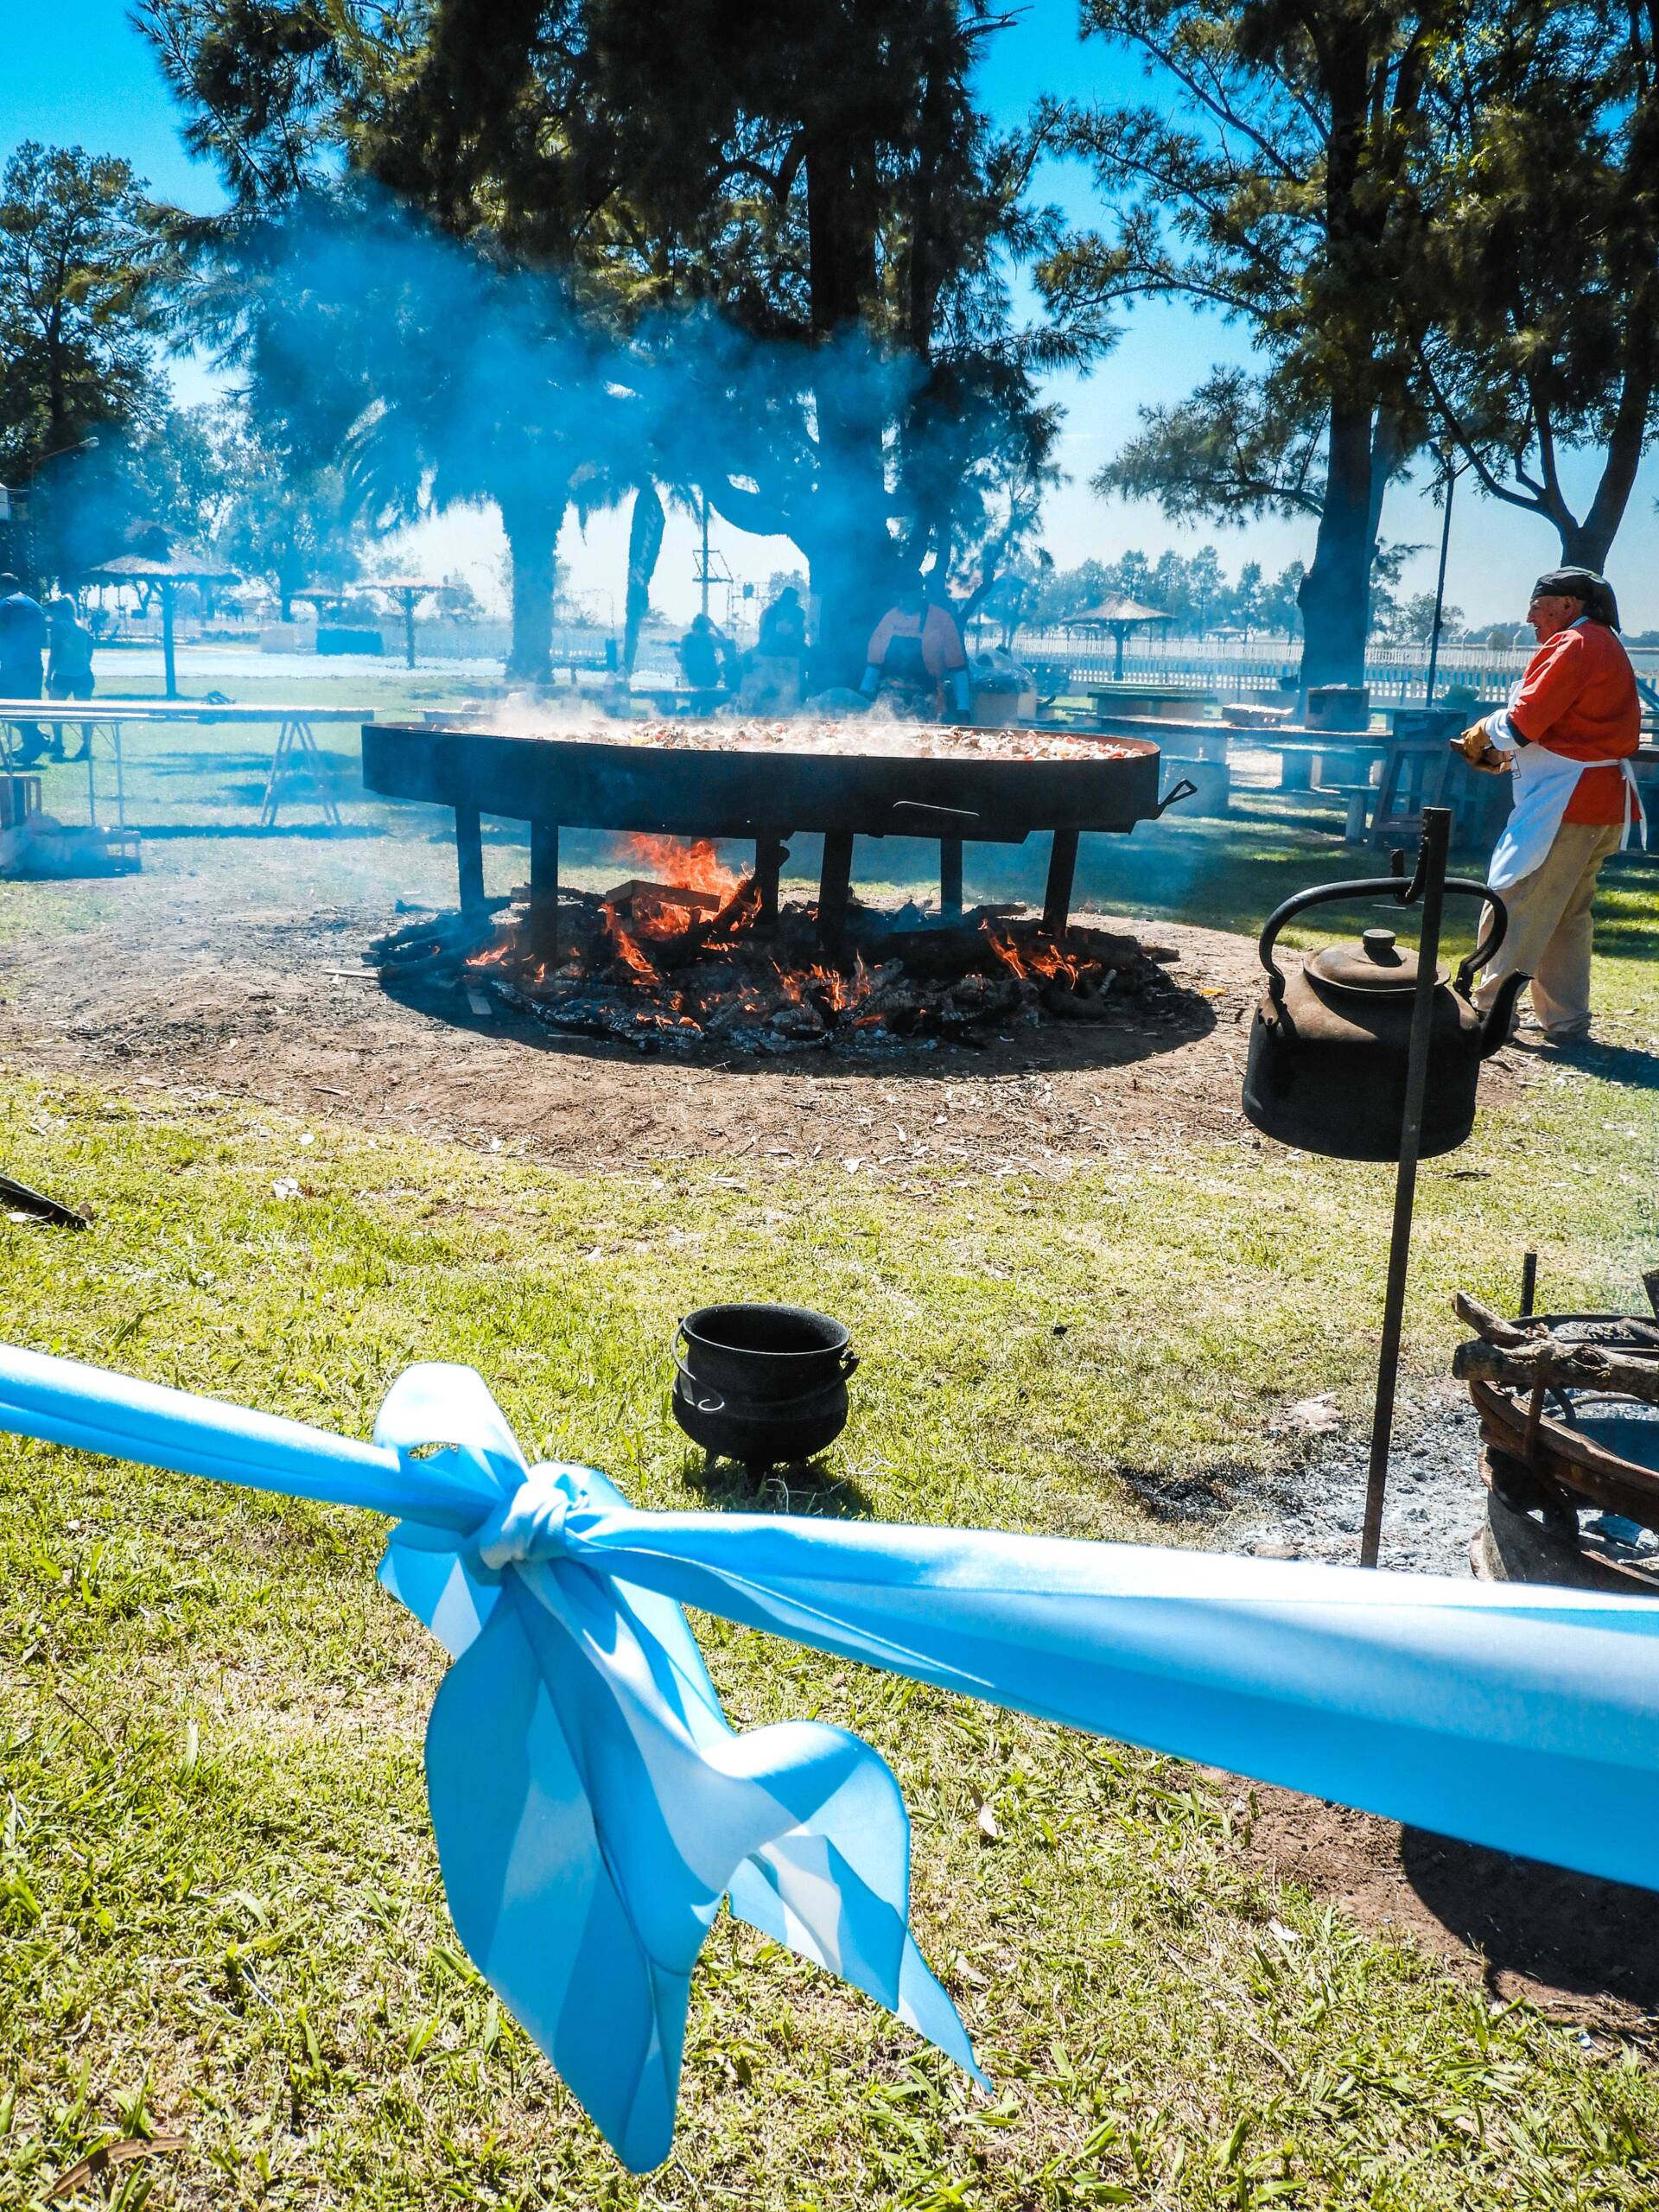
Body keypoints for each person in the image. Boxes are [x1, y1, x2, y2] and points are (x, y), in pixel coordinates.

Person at [1453, 567, 1646, 1044]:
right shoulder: (1599, 642)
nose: (1530, 616)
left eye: (1537, 605)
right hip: (1594, 802)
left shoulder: (1576, 643)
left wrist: (1488, 732)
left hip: (1566, 801)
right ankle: (1565, 1021)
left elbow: (1525, 723)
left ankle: (1488, 1015)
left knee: (1515, 900)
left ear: (1567, 604)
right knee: (1565, 916)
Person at [861, 581, 970, 717]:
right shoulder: (890, 618)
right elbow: (874, 664)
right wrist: (864, 694)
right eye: (902, 597)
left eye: (909, 596)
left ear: (920, 594)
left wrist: (963, 707)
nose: (905, 602)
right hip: (888, 700)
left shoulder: (941, 619)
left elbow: (957, 669)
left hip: (928, 701)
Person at [0, 574, 48, 765]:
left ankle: (35, 739)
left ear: (3, 587)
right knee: (27, 707)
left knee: (6, 707)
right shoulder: (36, 606)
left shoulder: (7, 604)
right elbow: (44, 638)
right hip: (34, 665)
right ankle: (34, 741)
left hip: (13, 666)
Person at [46, 595, 96, 762]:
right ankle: (87, 746)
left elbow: (54, 653)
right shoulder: (80, 625)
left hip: (64, 674)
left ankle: (58, 742)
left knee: (55, 710)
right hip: (84, 674)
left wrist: (48, 676)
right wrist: (85, 662)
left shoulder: (59, 627)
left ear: (59, 610)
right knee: (85, 713)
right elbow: (90, 647)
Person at [678, 612, 732, 696]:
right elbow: (724, 641)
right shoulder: (710, 638)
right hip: (709, 674)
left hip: (694, 673)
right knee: (708, 700)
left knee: (696, 697)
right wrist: (714, 626)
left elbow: (682, 658)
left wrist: (686, 670)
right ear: (707, 626)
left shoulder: (686, 639)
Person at [756, 585, 806, 659]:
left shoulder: (798, 613)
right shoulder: (771, 612)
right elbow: (765, 634)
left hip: (792, 649)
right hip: (772, 647)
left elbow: (800, 635)